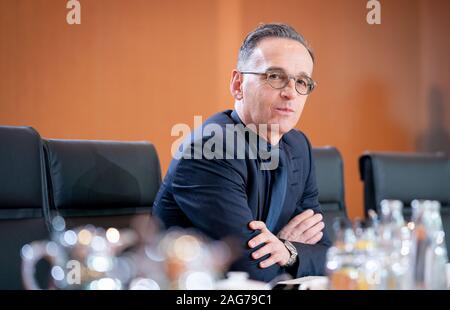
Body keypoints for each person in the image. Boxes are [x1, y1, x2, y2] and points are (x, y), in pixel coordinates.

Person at [153, 23, 331, 282]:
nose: (291, 92)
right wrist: (284, 246)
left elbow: (329, 254)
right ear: (238, 84)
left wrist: (288, 251)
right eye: (274, 76)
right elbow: (251, 271)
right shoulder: (209, 151)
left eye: (302, 81)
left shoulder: (298, 146)